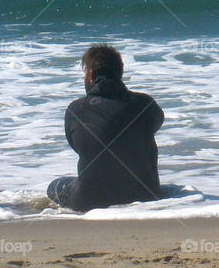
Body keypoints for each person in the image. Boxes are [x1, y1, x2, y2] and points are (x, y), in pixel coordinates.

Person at [47, 44, 164, 211]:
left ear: (90, 74)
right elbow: (155, 125)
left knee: (55, 185)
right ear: (120, 72)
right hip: (146, 195)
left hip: (89, 201)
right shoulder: (146, 104)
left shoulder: (76, 109)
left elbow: (80, 146)